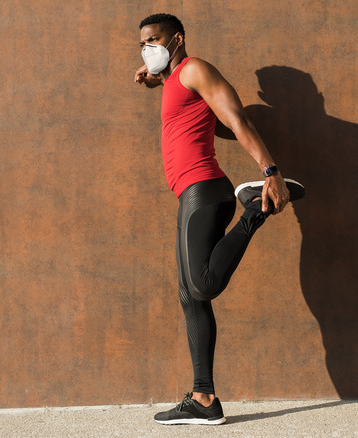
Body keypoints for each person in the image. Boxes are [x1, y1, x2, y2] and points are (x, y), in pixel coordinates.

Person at [134, 13, 304, 425]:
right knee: (189, 297)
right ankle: (203, 398)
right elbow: (203, 113)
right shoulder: (176, 80)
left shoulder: (195, 69)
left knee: (203, 285)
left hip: (204, 190)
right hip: (188, 196)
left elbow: (236, 118)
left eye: (154, 40)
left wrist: (270, 171)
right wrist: (158, 80)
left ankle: (254, 210)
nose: (147, 49)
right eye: (141, 44)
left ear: (177, 39)